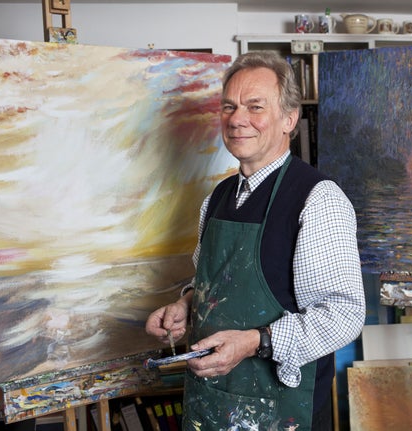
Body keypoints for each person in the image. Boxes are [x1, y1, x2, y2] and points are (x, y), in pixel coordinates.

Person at [145, 50, 366, 431]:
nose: (237, 119)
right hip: (211, 402)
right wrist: (186, 304)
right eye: (229, 107)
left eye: (255, 106)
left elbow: (343, 315)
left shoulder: (318, 199)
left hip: (280, 410)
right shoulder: (218, 197)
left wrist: (254, 342)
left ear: (289, 118)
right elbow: (215, 281)